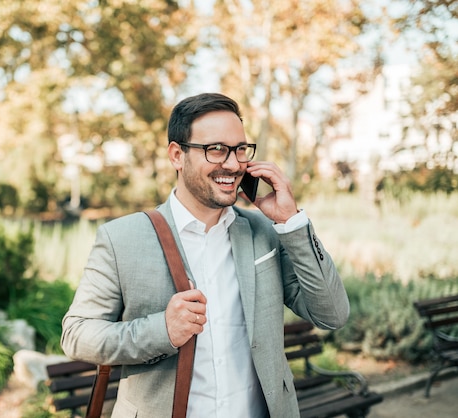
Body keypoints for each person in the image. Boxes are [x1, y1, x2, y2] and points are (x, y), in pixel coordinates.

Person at [61, 92, 349, 418]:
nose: (233, 164)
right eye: (216, 150)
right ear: (176, 155)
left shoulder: (265, 231)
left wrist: (291, 222)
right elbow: (77, 334)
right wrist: (161, 331)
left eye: (240, 149)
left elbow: (332, 314)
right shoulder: (120, 239)